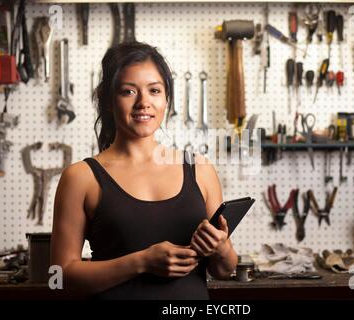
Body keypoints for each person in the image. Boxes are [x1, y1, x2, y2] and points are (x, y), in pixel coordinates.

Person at [50, 42, 238, 300]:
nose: (143, 103)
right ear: (107, 100)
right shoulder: (81, 177)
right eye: (128, 91)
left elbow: (224, 270)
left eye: (154, 91)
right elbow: (58, 278)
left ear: (166, 99)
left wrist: (221, 248)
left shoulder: (200, 170)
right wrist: (142, 262)